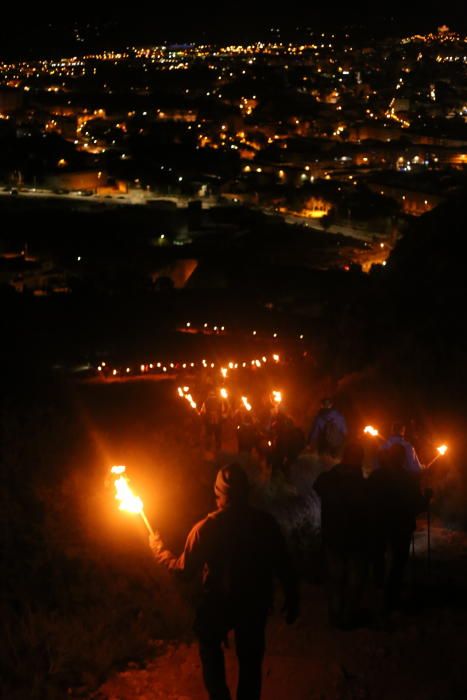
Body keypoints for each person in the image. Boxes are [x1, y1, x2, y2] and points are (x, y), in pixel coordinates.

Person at [149, 464, 299, 700]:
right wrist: (292, 596)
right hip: (254, 602)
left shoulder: (205, 528)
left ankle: (219, 697)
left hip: (219, 603)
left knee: (209, 646)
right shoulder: (265, 523)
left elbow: (183, 570)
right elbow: (283, 562)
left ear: (218, 494)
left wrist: (159, 550)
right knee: (250, 660)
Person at [313, 441, 370, 629]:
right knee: (353, 579)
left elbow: (318, 486)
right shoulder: (361, 483)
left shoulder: (330, 478)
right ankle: (347, 616)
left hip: (334, 535)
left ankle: (336, 616)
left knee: (336, 578)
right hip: (355, 538)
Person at [369, 444, 430, 611]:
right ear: (403, 459)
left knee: (378, 557)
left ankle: (378, 589)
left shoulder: (376, 476)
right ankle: (391, 595)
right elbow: (417, 505)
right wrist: (426, 498)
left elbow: (367, 498)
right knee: (398, 561)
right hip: (400, 526)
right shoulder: (408, 479)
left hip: (379, 523)